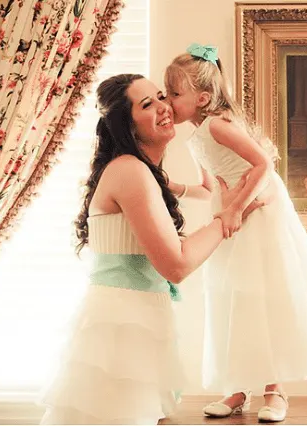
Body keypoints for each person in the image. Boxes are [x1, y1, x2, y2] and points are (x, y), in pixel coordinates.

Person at [38, 74, 263, 425]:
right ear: (125, 125)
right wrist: (228, 216)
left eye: (162, 97)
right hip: (121, 329)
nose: (164, 107)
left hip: (134, 319)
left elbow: (201, 192)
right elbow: (177, 265)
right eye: (147, 104)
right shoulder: (130, 172)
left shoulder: (145, 172)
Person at [164, 44, 307, 423]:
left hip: (258, 215)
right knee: (233, 297)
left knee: (265, 296)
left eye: (175, 94)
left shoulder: (218, 126)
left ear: (202, 98)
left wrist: (237, 207)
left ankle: (276, 389)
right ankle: (239, 387)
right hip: (231, 217)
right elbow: (208, 188)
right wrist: (172, 186)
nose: (168, 101)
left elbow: (263, 163)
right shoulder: (197, 135)